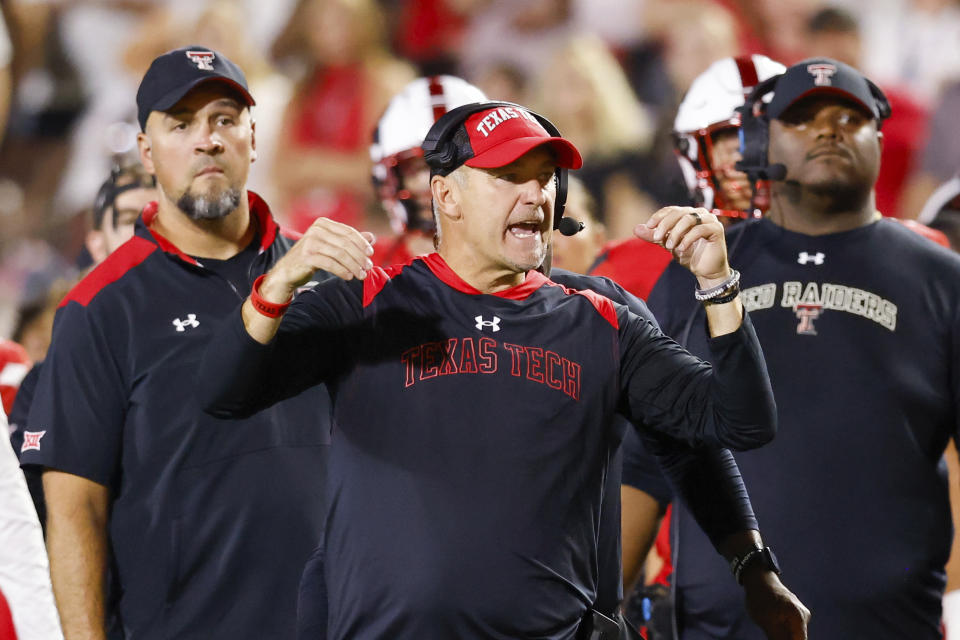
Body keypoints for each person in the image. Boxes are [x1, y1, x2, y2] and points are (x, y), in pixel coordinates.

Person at [197, 100, 809, 639]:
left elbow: (737, 424)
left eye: (545, 178)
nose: (535, 194)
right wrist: (275, 285)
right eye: (508, 176)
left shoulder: (601, 318)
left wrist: (717, 286)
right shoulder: (365, 301)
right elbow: (223, 393)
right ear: (446, 195)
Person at [623, 57, 960, 638]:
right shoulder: (693, 271)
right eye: (803, 117)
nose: (829, 129)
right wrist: (597, 605)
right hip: (717, 627)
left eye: (848, 118)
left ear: (879, 140)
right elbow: (644, 459)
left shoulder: (942, 279)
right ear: (759, 139)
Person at [21, 46, 330, 640]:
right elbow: (74, 507)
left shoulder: (323, 274)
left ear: (252, 136)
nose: (206, 140)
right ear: (147, 151)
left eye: (223, 119)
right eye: (181, 124)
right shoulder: (100, 306)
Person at [591, 54, 785, 301]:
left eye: (769, 135)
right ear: (692, 154)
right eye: (728, 137)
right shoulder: (634, 268)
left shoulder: (840, 248)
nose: (751, 155)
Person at [369, 74, 488, 266]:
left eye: (453, 165)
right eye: (416, 168)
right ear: (388, 178)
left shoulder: (518, 262)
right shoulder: (365, 267)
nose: (434, 184)